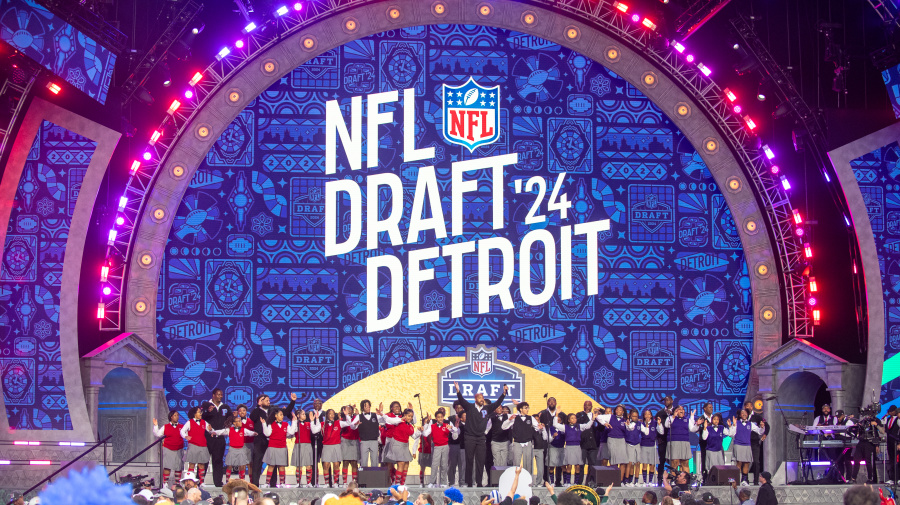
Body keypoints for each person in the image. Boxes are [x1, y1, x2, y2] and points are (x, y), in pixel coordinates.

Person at [453, 381, 508, 487]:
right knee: (469, 460)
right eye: (480, 398)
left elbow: (497, 403)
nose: (482, 399)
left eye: (483, 398)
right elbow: (461, 400)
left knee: (480, 460)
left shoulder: (487, 409)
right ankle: (469, 482)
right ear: (475, 399)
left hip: (481, 438)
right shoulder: (469, 407)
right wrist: (458, 390)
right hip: (470, 438)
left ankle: (479, 483)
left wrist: (504, 393)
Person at [249, 393, 297, 487]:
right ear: (260, 402)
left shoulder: (272, 410)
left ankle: (273, 484)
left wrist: (293, 401)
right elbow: (252, 418)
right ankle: (255, 484)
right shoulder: (256, 411)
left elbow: (286, 411)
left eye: (269, 400)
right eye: (266, 400)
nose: (269, 402)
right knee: (257, 462)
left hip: (272, 442)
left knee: (274, 463)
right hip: (260, 440)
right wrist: (258, 406)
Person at [552, 411, 596, 486]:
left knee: (577, 465)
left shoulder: (579, 426)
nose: (574, 419)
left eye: (575, 418)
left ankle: (576, 483)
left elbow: (587, 426)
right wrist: (556, 415)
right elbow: (555, 424)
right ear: (568, 420)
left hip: (577, 447)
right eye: (572, 418)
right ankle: (568, 482)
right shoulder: (565, 427)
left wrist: (593, 419)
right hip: (569, 447)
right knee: (569, 465)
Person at [210, 413, 257, 482]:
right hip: (232, 449)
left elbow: (250, 433)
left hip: (241, 449)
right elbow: (221, 431)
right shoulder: (229, 430)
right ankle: (227, 481)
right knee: (229, 465)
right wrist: (214, 432)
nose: (241, 422)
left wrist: (255, 433)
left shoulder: (244, 430)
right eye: (239, 421)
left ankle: (242, 481)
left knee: (242, 466)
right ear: (234, 423)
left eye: (241, 421)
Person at [260, 408, 299, 487]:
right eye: (280, 415)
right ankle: (267, 483)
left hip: (282, 447)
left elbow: (291, 432)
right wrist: (264, 424)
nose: (282, 416)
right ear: (276, 416)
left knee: (282, 466)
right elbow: (267, 434)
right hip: (273, 447)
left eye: (282, 415)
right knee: (271, 466)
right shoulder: (271, 424)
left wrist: (294, 421)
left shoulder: (286, 424)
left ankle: (282, 483)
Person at [201, 388, 231, 487]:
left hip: (220, 438)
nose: (220, 396)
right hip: (207, 437)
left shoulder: (225, 407)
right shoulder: (206, 405)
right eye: (218, 394)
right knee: (204, 460)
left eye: (221, 394)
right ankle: (200, 482)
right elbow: (200, 417)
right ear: (213, 395)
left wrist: (232, 418)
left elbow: (230, 419)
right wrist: (208, 412)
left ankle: (218, 483)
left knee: (218, 460)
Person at [726, 410, 764, 486]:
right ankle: (736, 480)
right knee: (739, 463)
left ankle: (744, 480)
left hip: (747, 445)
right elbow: (731, 434)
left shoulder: (751, 424)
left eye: (745, 413)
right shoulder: (737, 423)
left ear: (747, 415)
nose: (744, 414)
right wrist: (731, 426)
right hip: (738, 445)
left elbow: (759, 432)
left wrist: (762, 427)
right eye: (742, 413)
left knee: (746, 463)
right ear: (740, 415)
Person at [503, 402, 542, 475]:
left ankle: (528, 481)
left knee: (528, 463)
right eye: (525, 408)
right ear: (520, 409)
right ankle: (516, 480)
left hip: (528, 443)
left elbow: (538, 428)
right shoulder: (514, 417)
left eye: (528, 408)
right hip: (517, 442)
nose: (527, 409)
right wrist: (509, 420)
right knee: (516, 463)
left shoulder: (531, 418)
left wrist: (540, 428)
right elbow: (503, 427)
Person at [594, 404, 629, 484]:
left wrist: (628, 426)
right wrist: (604, 423)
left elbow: (629, 429)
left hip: (621, 440)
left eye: (620, 410)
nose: (618, 411)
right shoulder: (610, 417)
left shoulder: (625, 419)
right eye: (617, 410)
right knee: (613, 461)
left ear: (623, 411)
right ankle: (614, 480)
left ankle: (620, 481)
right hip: (612, 440)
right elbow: (598, 417)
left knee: (623, 461)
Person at [424, 408, 459, 487]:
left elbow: (455, 435)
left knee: (444, 465)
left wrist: (453, 428)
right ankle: (432, 482)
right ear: (436, 418)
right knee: (434, 464)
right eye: (438, 417)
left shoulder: (447, 425)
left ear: (443, 417)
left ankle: (443, 482)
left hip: (445, 446)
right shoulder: (432, 426)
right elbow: (425, 434)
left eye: (441, 417)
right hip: (436, 447)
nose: (440, 418)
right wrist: (425, 425)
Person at [180, 407, 213, 484]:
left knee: (202, 465)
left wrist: (211, 430)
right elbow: (182, 431)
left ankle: (201, 483)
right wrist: (185, 436)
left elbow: (210, 430)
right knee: (192, 464)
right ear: (194, 414)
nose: (201, 413)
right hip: (193, 445)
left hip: (203, 446)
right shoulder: (189, 422)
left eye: (201, 412)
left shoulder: (204, 422)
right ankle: (189, 482)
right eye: (199, 412)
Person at [152, 411, 185, 486]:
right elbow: (158, 434)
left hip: (179, 449)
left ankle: (177, 484)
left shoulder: (181, 427)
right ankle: (165, 484)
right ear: (171, 417)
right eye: (175, 415)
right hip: (168, 448)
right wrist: (156, 426)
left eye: (177, 415)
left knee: (178, 467)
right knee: (167, 466)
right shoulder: (165, 426)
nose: (177, 417)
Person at [665, 406, 698, 474]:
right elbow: (667, 425)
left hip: (684, 443)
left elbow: (692, 429)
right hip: (674, 443)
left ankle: (686, 481)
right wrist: (674, 416)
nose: (681, 410)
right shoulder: (670, 418)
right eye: (679, 409)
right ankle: (674, 480)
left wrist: (697, 424)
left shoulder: (687, 420)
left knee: (685, 463)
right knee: (674, 463)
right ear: (675, 411)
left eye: (683, 409)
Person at [293, 409, 322, 487]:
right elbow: (292, 431)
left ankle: (308, 483)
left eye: (304, 414)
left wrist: (315, 420)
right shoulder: (296, 424)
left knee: (309, 465)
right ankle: (298, 482)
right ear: (298, 415)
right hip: (298, 445)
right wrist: (294, 422)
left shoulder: (309, 424)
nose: (304, 415)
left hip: (307, 445)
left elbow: (316, 430)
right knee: (299, 465)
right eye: (302, 414)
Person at [852, 416, 884, 484]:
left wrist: (876, 424)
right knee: (856, 460)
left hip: (870, 443)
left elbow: (882, 431)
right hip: (861, 442)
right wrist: (857, 426)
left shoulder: (876, 420)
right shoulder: (863, 420)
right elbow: (857, 430)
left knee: (868, 461)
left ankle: (870, 478)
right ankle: (853, 478)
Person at [743, 401, 769, 485]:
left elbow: (766, 425)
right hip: (744, 442)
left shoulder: (757, 417)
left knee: (756, 462)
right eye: (747, 406)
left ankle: (756, 481)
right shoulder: (742, 417)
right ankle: (744, 480)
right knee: (745, 461)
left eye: (751, 406)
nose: (749, 407)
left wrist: (765, 434)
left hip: (754, 442)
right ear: (744, 407)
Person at [576, 401, 599, 485]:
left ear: (592, 406)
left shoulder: (596, 416)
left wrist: (597, 413)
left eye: (589, 405)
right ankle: (579, 482)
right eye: (585, 405)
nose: (587, 406)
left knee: (592, 464)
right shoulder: (580, 415)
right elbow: (577, 422)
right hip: (583, 443)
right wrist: (585, 414)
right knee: (581, 464)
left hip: (593, 443)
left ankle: (588, 482)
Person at [638, 409, 662, 487]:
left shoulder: (655, 423)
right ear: (644, 416)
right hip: (644, 445)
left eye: (649, 414)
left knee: (652, 465)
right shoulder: (641, 424)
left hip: (653, 445)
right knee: (644, 464)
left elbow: (660, 432)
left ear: (651, 415)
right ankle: (645, 482)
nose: (647, 416)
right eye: (646, 414)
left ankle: (651, 482)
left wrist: (659, 424)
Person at [655, 396, 675, 485]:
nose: (666, 402)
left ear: (672, 401)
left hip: (674, 440)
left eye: (667, 400)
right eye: (665, 401)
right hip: (662, 440)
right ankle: (659, 479)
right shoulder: (660, 413)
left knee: (674, 460)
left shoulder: (676, 412)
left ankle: (674, 479)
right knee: (662, 460)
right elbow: (657, 427)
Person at [341, 404, 362, 486]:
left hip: (354, 440)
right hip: (345, 441)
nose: (349, 410)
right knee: (345, 462)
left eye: (350, 409)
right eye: (347, 409)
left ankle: (354, 482)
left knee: (354, 462)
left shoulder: (356, 417)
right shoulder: (342, 419)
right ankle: (344, 482)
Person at [624, 409, 642, 487]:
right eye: (633, 416)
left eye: (636, 416)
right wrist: (628, 425)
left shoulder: (640, 424)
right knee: (629, 463)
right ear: (630, 416)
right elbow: (629, 428)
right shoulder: (627, 423)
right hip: (629, 444)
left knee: (637, 462)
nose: (635, 418)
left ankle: (636, 481)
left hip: (637, 444)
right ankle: (626, 480)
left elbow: (646, 432)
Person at [697, 403, 714, 482]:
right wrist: (705, 427)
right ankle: (705, 478)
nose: (711, 408)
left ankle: (714, 478)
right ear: (705, 409)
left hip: (714, 443)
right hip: (704, 443)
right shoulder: (701, 418)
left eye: (712, 407)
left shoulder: (715, 418)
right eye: (709, 407)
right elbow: (698, 429)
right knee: (704, 460)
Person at [884, 406, 899, 484]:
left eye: (890, 411)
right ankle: (892, 478)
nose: (889, 413)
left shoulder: (898, 420)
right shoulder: (889, 419)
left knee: (897, 460)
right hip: (889, 442)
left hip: (896, 442)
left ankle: (898, 478)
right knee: (891, 460)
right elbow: (886, 430)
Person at [531, 413, 548, 483]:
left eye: (538, 420)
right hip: (531, 449)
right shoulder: (529, 428)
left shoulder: (542, 428)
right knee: (529, 467)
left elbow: (545, 438)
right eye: (535, 420)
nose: (537, 421)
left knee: (540, 468)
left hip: (540, 449)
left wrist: (543, 429)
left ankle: (538, 482)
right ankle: (529, 482)